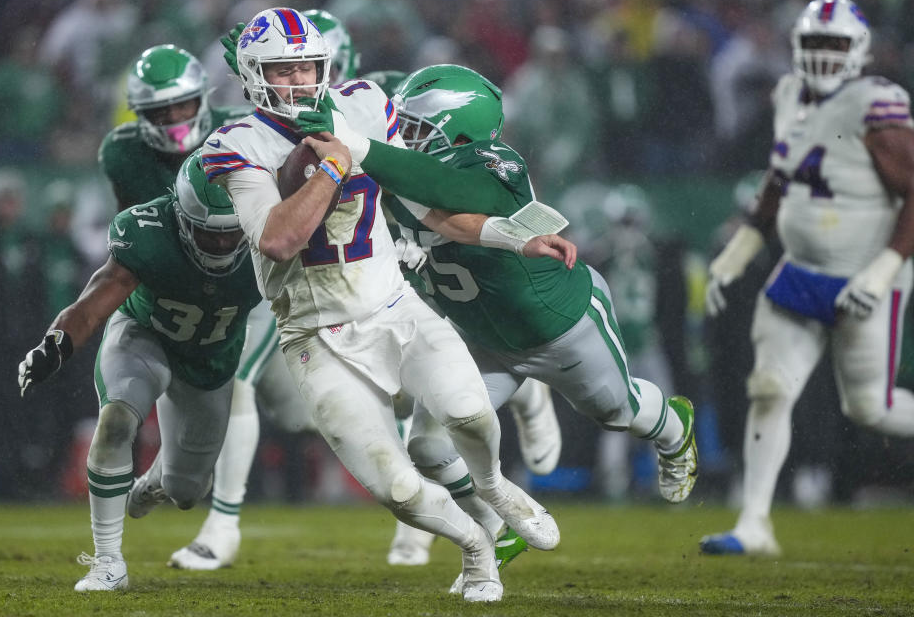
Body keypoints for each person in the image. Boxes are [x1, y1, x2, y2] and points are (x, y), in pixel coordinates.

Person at [200, 7, 570, 602]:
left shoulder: (365, 103)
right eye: (281, 71)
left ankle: (495, 485)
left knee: (471, 414)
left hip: (394, 304)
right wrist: (336, 165)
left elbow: (426, 207)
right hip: (314, 333)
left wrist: (514, 235)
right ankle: (477, 549)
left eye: (306, 69)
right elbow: (278, 238)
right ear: (252, 75)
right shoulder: (235, 144)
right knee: (397, 490)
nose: (298, 83)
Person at [298, 65, 698, 592]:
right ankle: (495, 525)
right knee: (430, 447)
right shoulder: (400, 173)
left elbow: (446, 191)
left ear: (459, 133)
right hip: (477, 336)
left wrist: (361, 150)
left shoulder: (495, 164)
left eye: (415, 128)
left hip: (558, 325)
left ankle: (674, 428)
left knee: (616, 411)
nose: (402, 137)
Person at [699, 0, 914, 556]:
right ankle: (754, 524)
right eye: (813, 43)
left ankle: (756, 520)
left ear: (858, 50)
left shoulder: (877, 102)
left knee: (871, 406)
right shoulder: (788, 94)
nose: (822, 55)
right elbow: (780, 178)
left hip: (864, 274)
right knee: (768, 389)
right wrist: (742, 248)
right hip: (799, 271)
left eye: (833, 43)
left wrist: (884, 268)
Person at [17, 151, 259, 590]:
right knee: (114, 424)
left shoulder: (271, 234)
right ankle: (108, 562)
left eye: (231, 234)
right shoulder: (148, 230)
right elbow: (94, 302)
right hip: (145, 335)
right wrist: (55, 344)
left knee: (187, 491)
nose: (222, 245)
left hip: (211, 358)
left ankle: (151, 483)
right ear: (182, 219)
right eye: (208, 234)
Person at [100, 43, 299, 572]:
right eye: (160, 112)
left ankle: (222, 522)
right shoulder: (121, 152)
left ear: (204, 100)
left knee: (249, 391)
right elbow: (144, 227)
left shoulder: (242, 131)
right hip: (180, 282)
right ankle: (203, 506)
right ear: (140, 116)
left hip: (246, 277)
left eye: (183, 106)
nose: (174, 119)